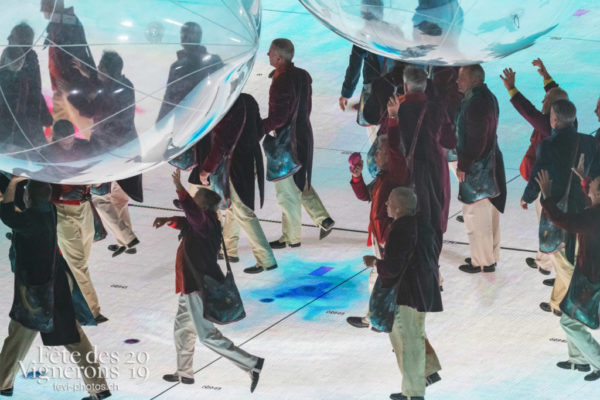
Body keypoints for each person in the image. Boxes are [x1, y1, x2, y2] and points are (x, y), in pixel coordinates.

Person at [0, 176, 111, 400]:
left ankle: (3, 383)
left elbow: (7, 214)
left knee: (18, 337)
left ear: (28, 196)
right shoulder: (48, 213)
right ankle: (99, 388)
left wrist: (12, 184)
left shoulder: (32, 219)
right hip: (57, 283)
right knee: (73, 337)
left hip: (37, 293)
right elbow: (14, 213)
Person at [153, 170, 264, 392]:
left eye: (197, 200)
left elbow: (192, 216)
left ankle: (252, 363)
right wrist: (169, 220)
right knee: (182, 329)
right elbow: (187, 221)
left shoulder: (206, 224)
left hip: (198, 287)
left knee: (206, 336)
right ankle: (184, 373)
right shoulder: (204, 224)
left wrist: (179, 186)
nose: (193, 202)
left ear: (203, 208)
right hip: (189, 286)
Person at [521, 100, 598, 315]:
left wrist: (528, 197)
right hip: (583, 205)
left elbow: (539, 174)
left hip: (558, 208)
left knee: (563, 260)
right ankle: (557, 303)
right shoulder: (589, 142)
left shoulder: (548, 145)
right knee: (570, 256)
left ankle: (569, 302)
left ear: (554, 120)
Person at [264, 38, 335, 248]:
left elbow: (279, 116)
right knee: (297, 182)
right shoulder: (302, 76)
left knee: (287, 190)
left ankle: (292, 238)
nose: (267, 55)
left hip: (288, 141)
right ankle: (320, 221)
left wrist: (259, 128)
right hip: (303, 134)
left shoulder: (282, 80)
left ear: (279, 57)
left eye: (270, 52)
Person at [500, 58, 568, 275]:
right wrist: (546, 77)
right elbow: (558, 95)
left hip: (545, 185)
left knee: (546, 222)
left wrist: (512, 90)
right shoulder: (568, 118)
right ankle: (544, 261)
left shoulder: (549, 127)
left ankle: (549, 264)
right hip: (560, 183)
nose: (543, 100)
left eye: (546, 99)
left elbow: (528, 111)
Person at [196, 93, 277, 274]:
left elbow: (221, 144)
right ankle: (229, 250)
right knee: (235, 208)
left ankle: (266, 259)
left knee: (243, 211)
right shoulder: (248, 99)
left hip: (235, 166)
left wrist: (207, 169)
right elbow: (258, 130)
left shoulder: (226, 105)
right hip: (250, 159)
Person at [377, 187, 442, 400]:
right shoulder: (424, 225)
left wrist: (377, 264)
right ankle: (411, 389)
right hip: (421, 292)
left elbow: (393, 266)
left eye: (389, 202)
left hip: (407, 294)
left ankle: (414, 393)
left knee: (409, 342)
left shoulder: (401, 228)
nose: (386, 204)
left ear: (398, 207)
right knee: (411, 340)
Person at [536, 168, 600, 382]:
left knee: (569, 322)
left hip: (590, 280)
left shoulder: (593, 217)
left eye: (595, 183)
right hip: (590, 278)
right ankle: (582, 360)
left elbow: (564, 220)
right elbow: (590, 208)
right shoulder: (595, 212)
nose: (592, 182)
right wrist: (585, 184)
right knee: (571, 317)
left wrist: (546, 196)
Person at [347, 134, 407, 328]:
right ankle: (375, 317)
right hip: (377, 235)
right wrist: (357, 178)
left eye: (380, 152)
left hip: (386, 236)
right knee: (378, 277)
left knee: (381, 277)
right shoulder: (382, 177)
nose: (376, 156)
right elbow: (365, 196)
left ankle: (377, 318)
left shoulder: (395, 176)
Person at [455, 64, 507, 274]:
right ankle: (490, 256)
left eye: (461, 78)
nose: (457, 81)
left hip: (478, 171)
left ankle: (483, 262)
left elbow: (476, 140)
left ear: (474, 80)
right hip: (489, 165)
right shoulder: (488, 96)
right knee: (489, 215)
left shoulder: (476, 104)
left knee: (476, 218)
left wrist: (464, 165)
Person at [41, 0, 95, 138]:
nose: (42, 10)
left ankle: (101, 149)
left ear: (54, 7)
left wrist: (72, 89)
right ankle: (53, 149)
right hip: (61, 86)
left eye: (45, 6)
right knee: (57, 128)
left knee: (87, 127)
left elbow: (78, 60)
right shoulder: (57, 24)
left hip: (71, 89)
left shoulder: (69, 26)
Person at [0, 23, 52, 150]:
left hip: (21, 123)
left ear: (22, 41)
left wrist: (44, 117)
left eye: (12, 37)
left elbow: (34, 90)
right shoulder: (15, 56)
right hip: (22, 123)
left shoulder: (25, 59)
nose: (7, 38)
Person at [338, 44, 392, 143]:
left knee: (373, 121)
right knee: (389, 121)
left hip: (372, 86)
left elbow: (355, 62)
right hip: (393, 85)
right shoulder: (398, 31)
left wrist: (347, 91)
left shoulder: (365, 33)